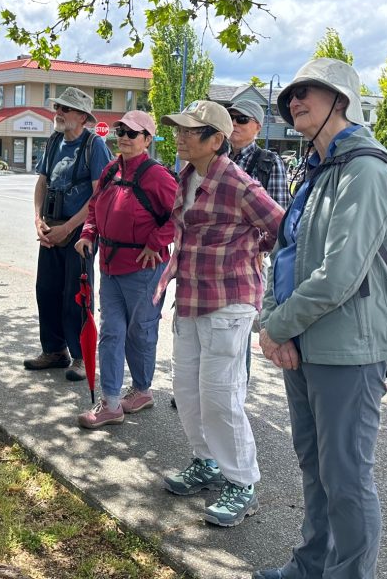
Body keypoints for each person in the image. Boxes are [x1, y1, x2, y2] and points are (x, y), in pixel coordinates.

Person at [253, 58, 387, 579]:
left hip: (349, 349)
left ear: (341, 101)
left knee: (345, 477)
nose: (296, 100)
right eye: (292, 94)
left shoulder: (366, 169)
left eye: (310, 92)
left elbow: (339, 272)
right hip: (306, 343)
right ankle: (310, 566)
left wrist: (275, 327)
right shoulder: (320, 170)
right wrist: (275, 321)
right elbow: (288, 254)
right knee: (316, 471)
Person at [155, 100, 284, 527]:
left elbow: (282, 227)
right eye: (179, 129)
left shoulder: (239, 182)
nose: (179, 137)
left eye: (190, 132)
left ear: (216, 140)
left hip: (228, 301)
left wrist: (251, 252)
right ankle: (206, 462)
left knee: (220, 395)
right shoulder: (188, 176)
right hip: (191, 297)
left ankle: (242, 482)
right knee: (187, 390)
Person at [73, 110, 176, 429]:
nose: (125, 138)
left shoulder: (157, 175)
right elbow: (94, 207)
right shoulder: (110, 170)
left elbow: (179, 214)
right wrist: (88, 233)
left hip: (144, 269)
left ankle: (142, 390)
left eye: (133, 133)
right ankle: (111, 402)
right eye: (121, 131)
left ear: (147, 139)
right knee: (111, 333)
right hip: (110, 266)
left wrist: (155, 242)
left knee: (140, 331)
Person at [24, 87, 112, 381]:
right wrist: (38, 219)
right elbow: (42, 182)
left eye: (66, 108)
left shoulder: (94, 145)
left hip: (80, 231)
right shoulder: (53, 141)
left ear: (83, 117)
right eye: (58, 107)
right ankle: (54, 350)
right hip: (51, 227)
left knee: (77, 295)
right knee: (46, 290)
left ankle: (80, 355)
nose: (58, 112)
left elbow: (98, 195)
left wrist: (70, 227)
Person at [227, 97, 290, 207]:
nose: (233, 123)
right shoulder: (218, 157)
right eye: (230, 118)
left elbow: (278, 214)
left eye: (242, 119)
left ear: (258, 127)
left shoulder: (271, 162)